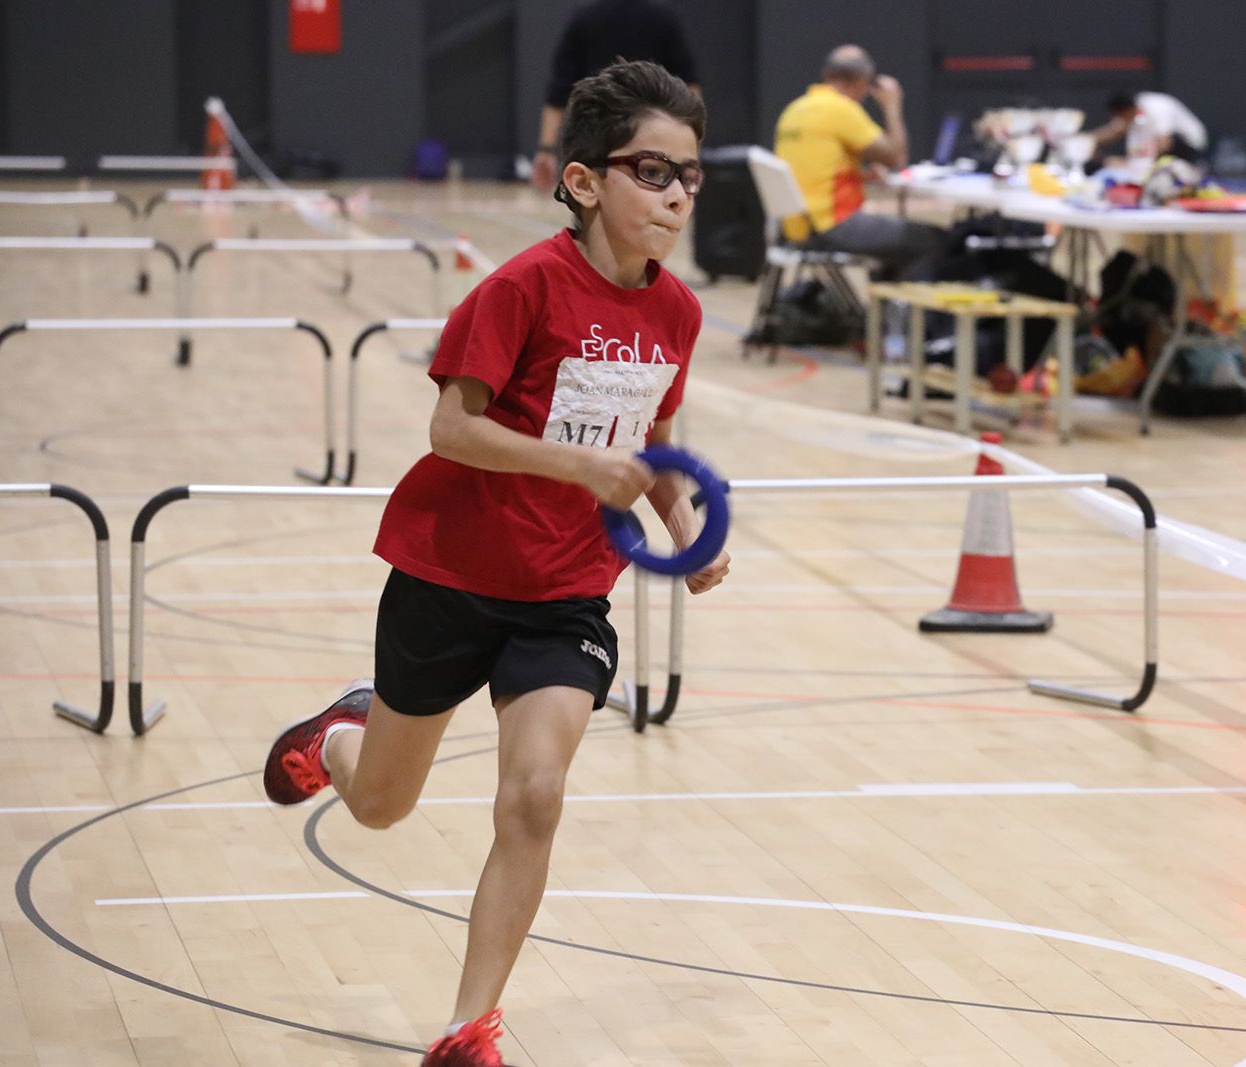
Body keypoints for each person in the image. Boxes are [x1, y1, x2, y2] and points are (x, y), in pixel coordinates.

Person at [262, 60, 729, 1067]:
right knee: (383, 805)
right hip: (449, 572)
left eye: (691, 175)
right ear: (584, 181)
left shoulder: (680, 315)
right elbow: (450, 428)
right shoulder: (520, 290)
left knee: (536, 792)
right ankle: (339, 738)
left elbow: (651, 438)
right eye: (654, 171)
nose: (679, 194)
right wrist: (581, 463)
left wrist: (683, 518)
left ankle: (467, 1026)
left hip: (564, 594)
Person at [773, 44, 943, 281]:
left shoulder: (795, 110)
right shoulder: (840, 109)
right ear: (862, 80)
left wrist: (860, 176)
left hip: (797, 225)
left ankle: (885, 314)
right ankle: (912, 318)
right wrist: (892, 104)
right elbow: (897, 157)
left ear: (826, 74)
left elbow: (812, 172)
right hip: (831, 225)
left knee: (899, 242)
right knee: (930, 239)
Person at [531, 0, 700, 189]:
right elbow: (689, 88)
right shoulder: (664, 19)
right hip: (652, 129)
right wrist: (692, 149)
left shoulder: (584, 19)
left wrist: (546, 149)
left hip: (599, 132)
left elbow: (558, 92)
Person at [1089, 90, 1208, 165]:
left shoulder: (1157, 107)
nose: (1121, 120)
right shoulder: (1130, 113)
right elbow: (1113, 131)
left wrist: (1130, 162)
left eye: (1120, 116)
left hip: (1189, 146)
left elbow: (1165, 143)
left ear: (1126, 110)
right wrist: (1087, 139)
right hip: (1162, 150)